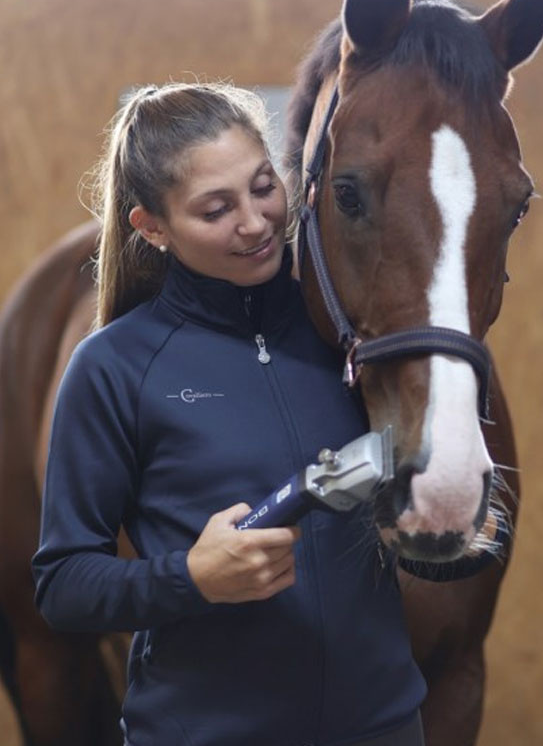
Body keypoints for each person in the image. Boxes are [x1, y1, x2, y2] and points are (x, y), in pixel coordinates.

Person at [31, 82, 429, 746]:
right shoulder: (115, 367)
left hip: (384, 728)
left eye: (263, 186)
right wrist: (190, 578)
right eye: (216, 209)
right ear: (151, 228)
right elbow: (64, 585)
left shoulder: (347, 335)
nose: (255, 222)